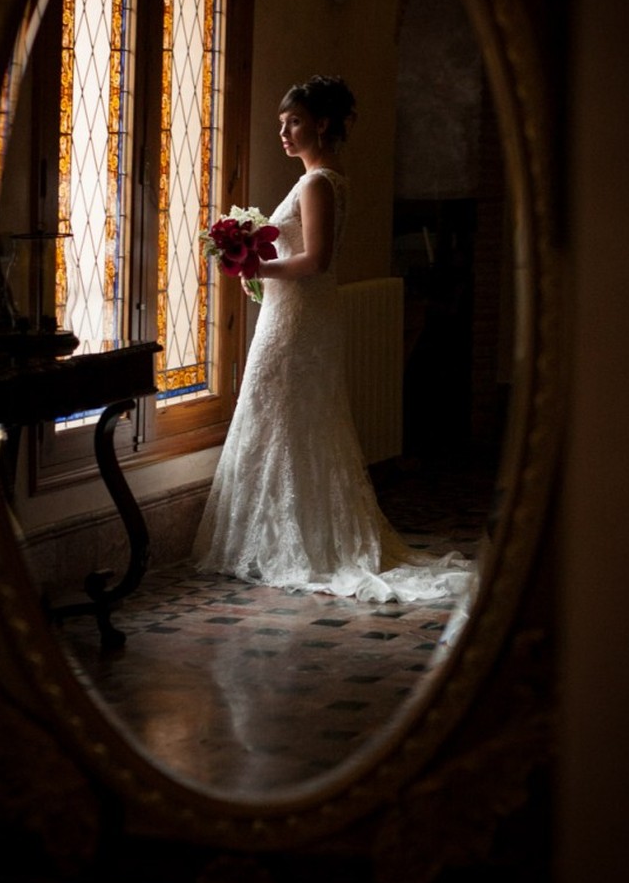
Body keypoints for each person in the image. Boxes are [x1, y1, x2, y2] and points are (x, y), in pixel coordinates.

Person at [193, 75, 475, 606]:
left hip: (298, 318)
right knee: (291, 420)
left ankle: (301, 543)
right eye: (282, 123)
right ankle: (282, 534)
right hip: (298, 313)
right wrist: (258, 265)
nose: (283, 132)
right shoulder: (326, 178)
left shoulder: (317, 183)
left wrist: (254, 266)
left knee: (288, 418)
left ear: (321, 124)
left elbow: (316, 262)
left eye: (293, 122)